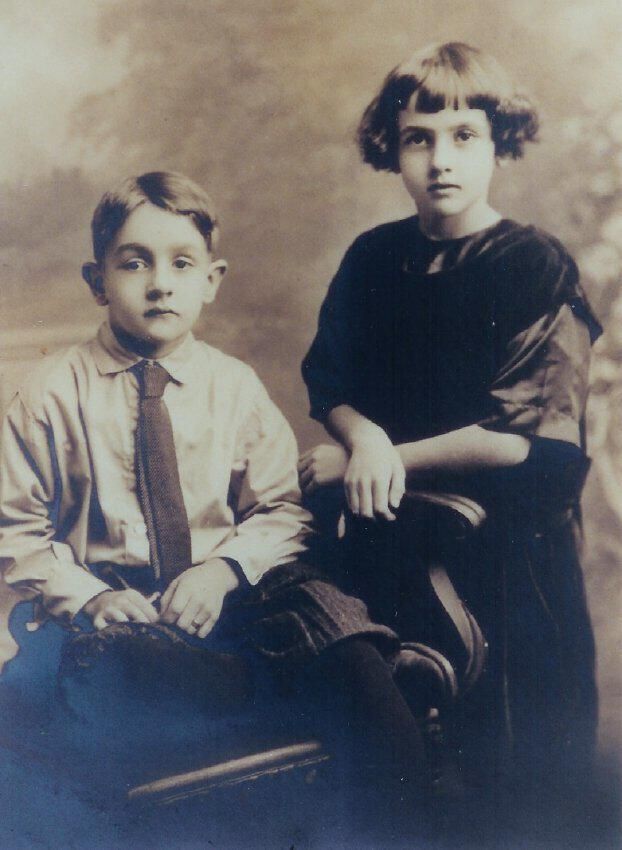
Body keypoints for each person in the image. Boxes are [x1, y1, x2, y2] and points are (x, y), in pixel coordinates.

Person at [0, 171, 438, 842]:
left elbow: (281, 510)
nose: (159, 284)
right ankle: (246, 681)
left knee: (328, 621)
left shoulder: (234, 387)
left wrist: (223, 571)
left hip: (230, 602)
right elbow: (17, 532)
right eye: (134, 263)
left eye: (181, 264)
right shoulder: (50, 394)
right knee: (95, 671)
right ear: (97, 280)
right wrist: (91, 598)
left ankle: (402, 812)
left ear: (212, 279)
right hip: (122, 612)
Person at [300, 41, 602, 820]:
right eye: (419, 138)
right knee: (401, 773)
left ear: (500, 143)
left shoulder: (533, 263)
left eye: (465, 136)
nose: (441, 160)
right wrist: (363, 439)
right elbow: (331, 384)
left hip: (507, 564)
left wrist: (383, 456)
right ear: (391, 148)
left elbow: (521, 435)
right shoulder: (374, 259)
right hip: (388, 546)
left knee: (516, 784)